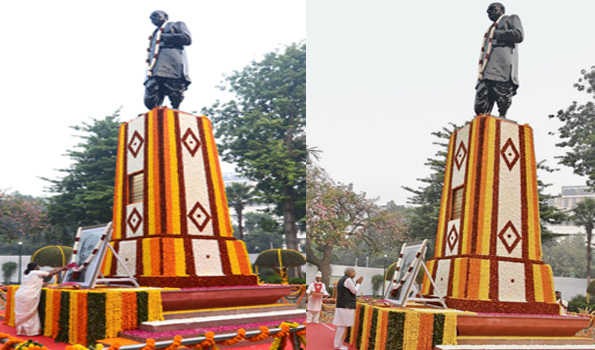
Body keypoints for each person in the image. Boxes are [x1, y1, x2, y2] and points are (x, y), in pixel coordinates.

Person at [474, 2, 523, 118]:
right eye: (488, 11)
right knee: (480, 102)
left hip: (502, 66)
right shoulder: (489, 29)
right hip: (486, 70)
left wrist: (497, 34)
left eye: (493, 9)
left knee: (502, 93)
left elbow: (519, 35)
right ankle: (482, 122)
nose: (489, 12)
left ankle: (502, 117)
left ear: (502, 10)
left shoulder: (511, 18)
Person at [144, 10, 192, 110]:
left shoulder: (176, 24)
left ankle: (175, 110)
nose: (153, 18)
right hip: (155, 67)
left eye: (156, 15)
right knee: (151, 90)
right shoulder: (154, 33)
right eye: (151, 17)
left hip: (171, 64)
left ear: (166, 16)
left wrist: (165, 37)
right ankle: (155, 114)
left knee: (174, 88)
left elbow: (187, 39)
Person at [14, 263, 66, 336]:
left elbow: (42, 283)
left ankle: (22, 331)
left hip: (20, 295)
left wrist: (56, 285)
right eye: (38, 266)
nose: (39, 267)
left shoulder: (27, 275)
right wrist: (63, 268)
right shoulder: (34, 272)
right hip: (28, 295)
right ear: (35, 267)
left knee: (24, 314)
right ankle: (30, 332)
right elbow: (50, 273)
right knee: (29, 314)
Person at [333, 267, 363, 350]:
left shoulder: (343, 279)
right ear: (350, 273)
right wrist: (359, 283)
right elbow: (355, 291)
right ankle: (338, 345)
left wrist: (356, 283)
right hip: (346, 306)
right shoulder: (348, 280)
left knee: (341, 325)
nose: (355, 274)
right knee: (342, 325)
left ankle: (337, 344)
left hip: (342, 305)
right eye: (354, 272)